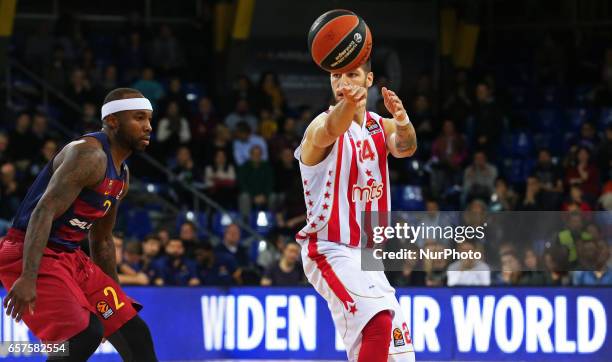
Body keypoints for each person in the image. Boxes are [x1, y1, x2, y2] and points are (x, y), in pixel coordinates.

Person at [0, 88, 158, 361]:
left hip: (70, 255)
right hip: (29, 251)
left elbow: (103, 241)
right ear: (112, 122)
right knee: (83, 334)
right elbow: (43, 212)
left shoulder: (122, 174)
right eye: (139, 118)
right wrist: (28, 276)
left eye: (149, 119)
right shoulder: (89, 155)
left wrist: (116, 298)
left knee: (134, 333)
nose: (148, 126)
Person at [294, 58, 416, 361]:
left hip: (367, 256)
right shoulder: (320, 125)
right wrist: (350, 101)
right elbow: (333, 127)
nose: (343, 81)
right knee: (377, 322)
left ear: (369, 78)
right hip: (329, 248)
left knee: (399, 355)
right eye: (336, 75)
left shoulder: (377, 125)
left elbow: (406, 147)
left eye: (352, 74)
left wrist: (402, 120)